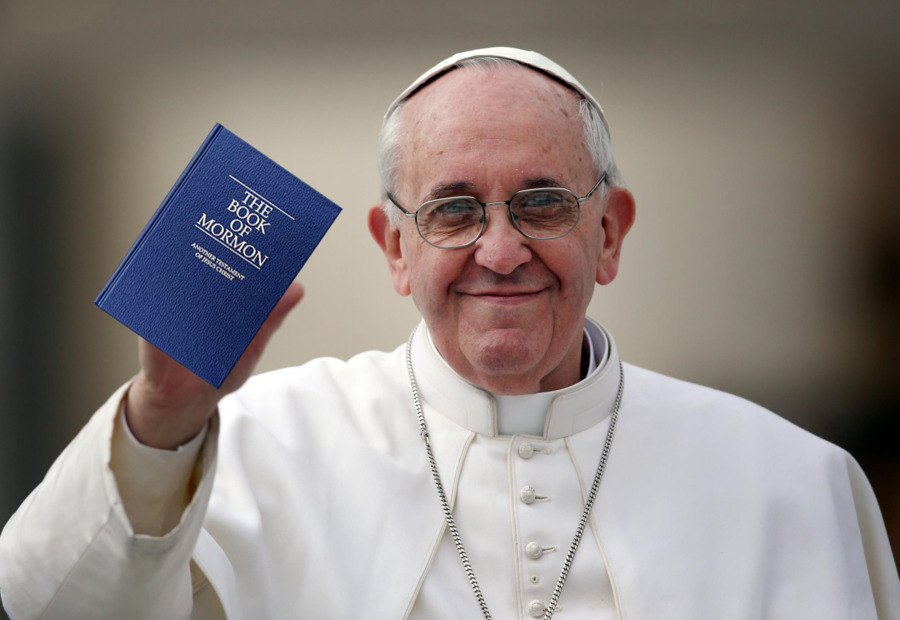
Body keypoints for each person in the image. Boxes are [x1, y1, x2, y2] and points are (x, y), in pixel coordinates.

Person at [1, 47, 898, 620]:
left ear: (611, 232)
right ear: (395, 248)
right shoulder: (266, 444)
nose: (500, 251)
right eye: (454, 210)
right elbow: (48, 606)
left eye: (542, 203)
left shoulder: (788, 482)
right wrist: (162, 417)